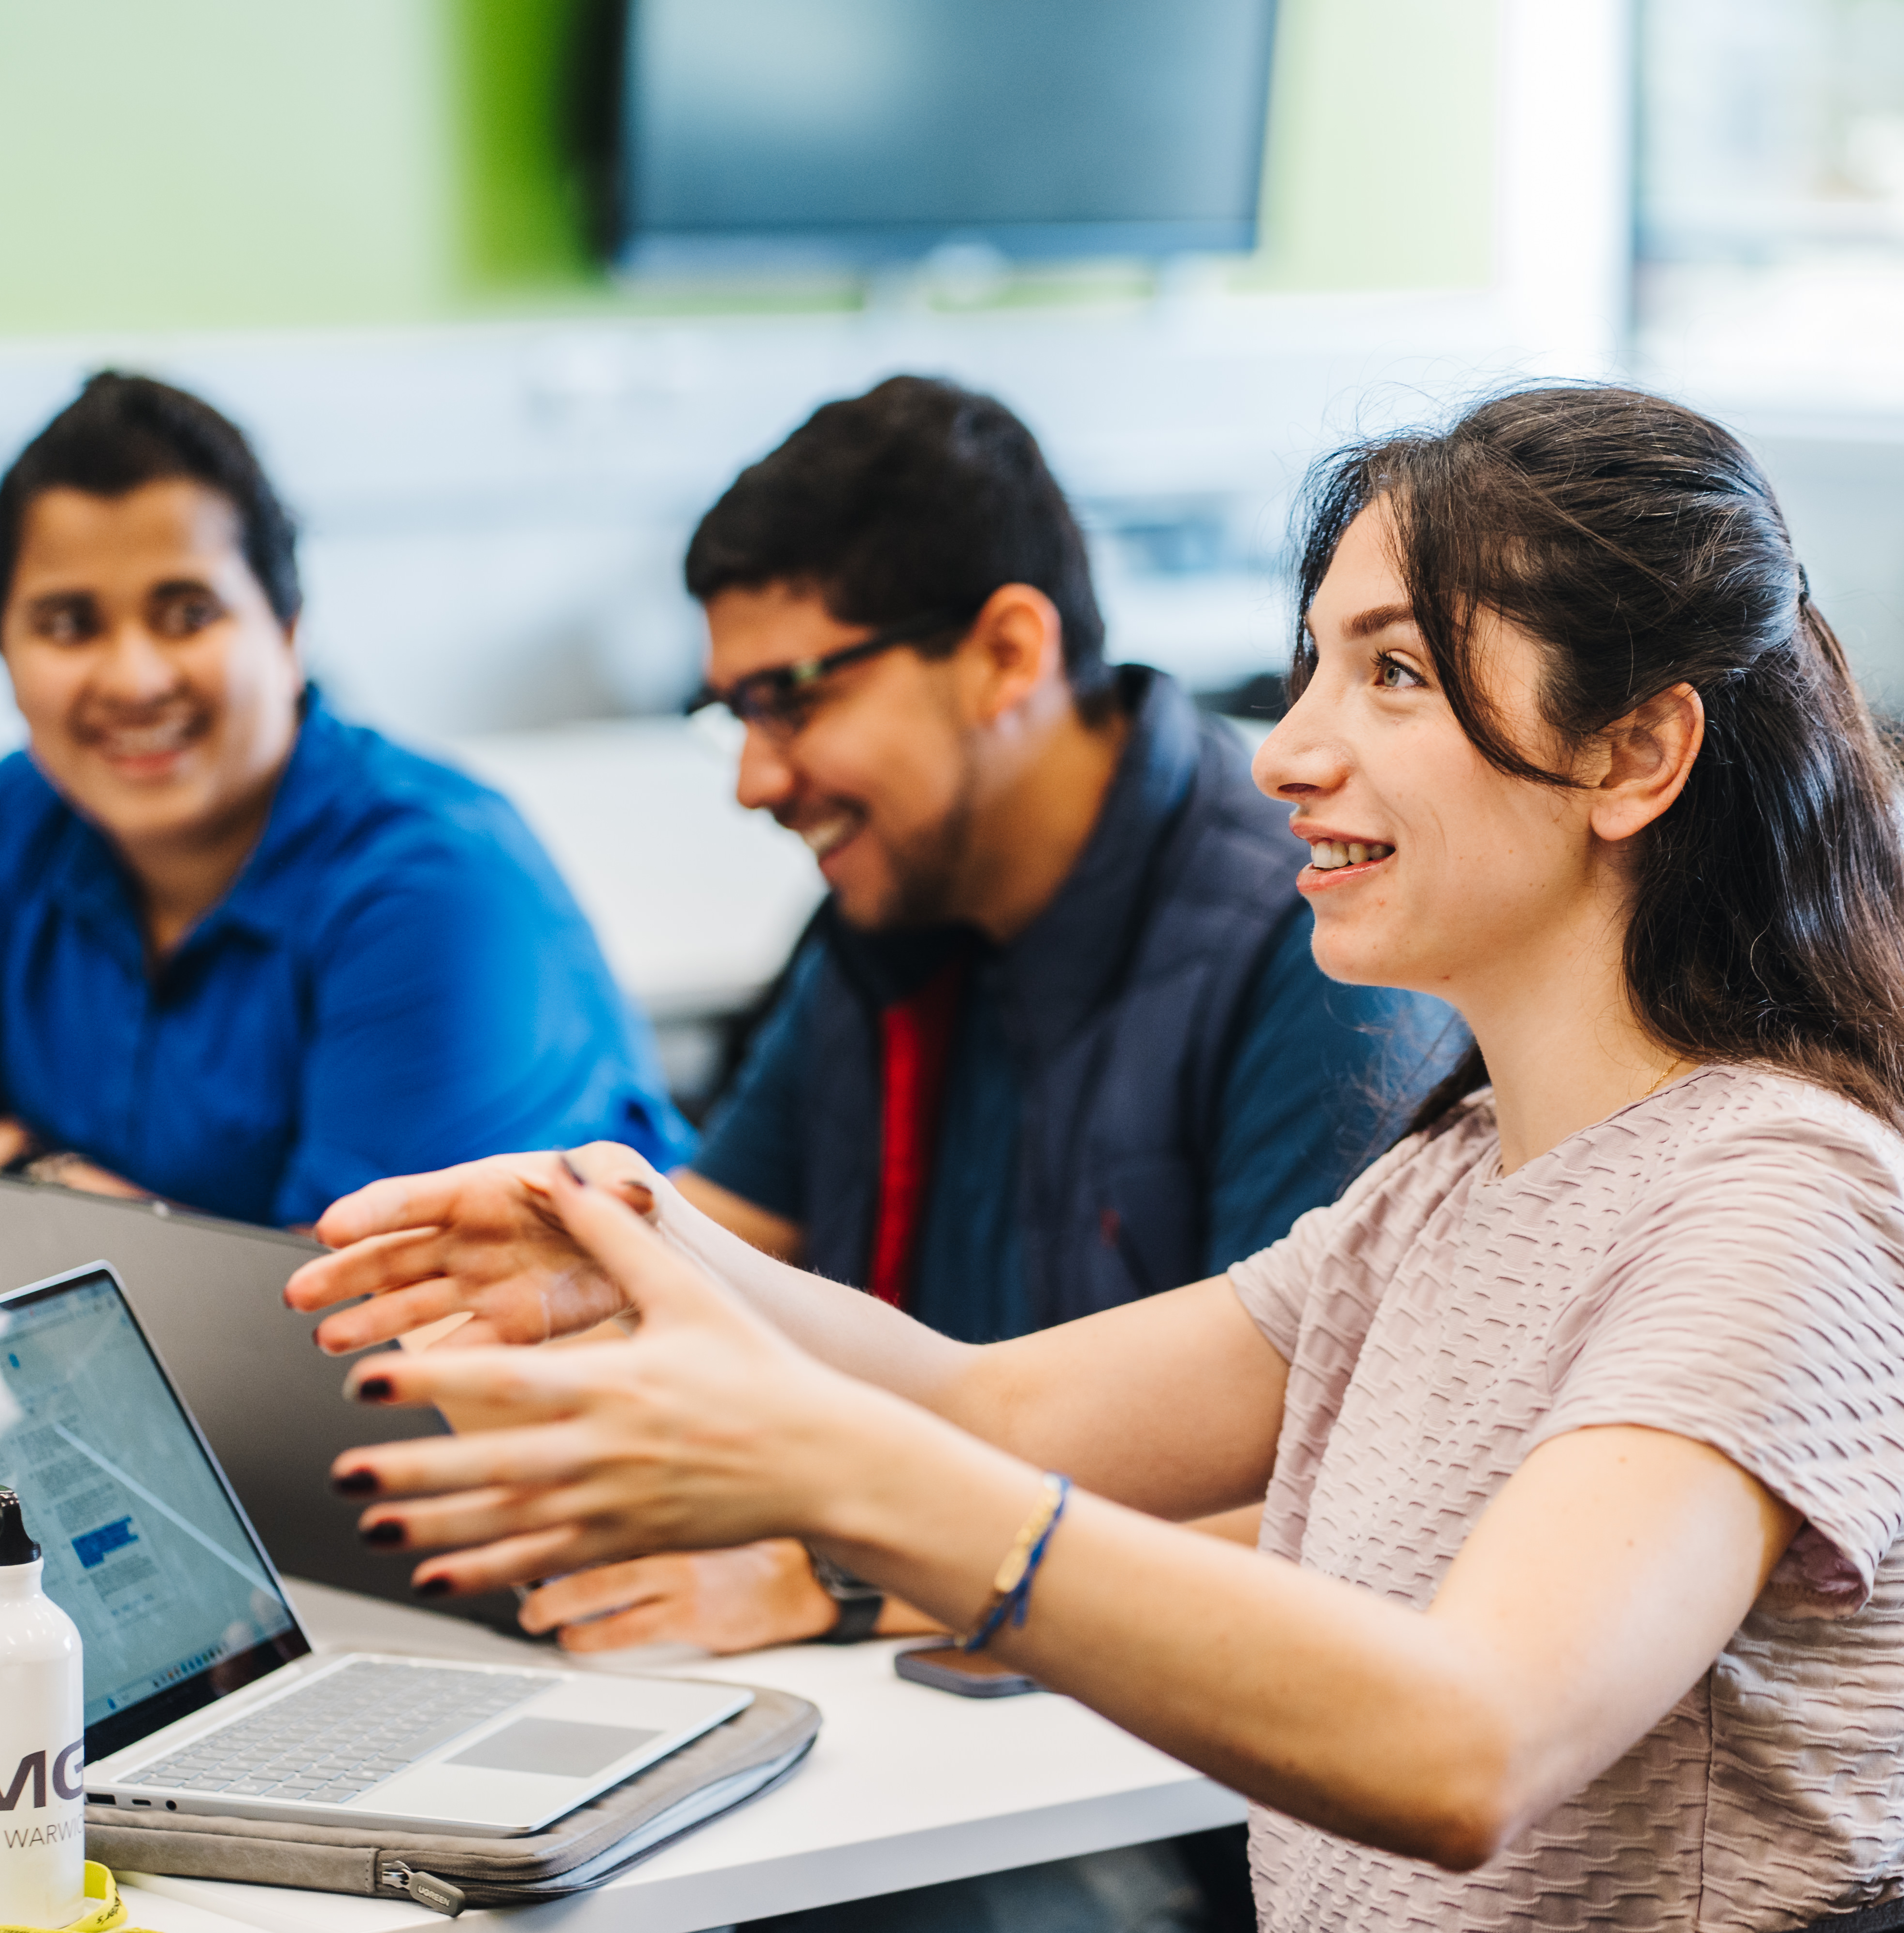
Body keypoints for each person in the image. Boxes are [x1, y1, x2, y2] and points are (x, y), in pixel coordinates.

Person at [293, 386, 1904, 1928]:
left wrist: (830, 1481)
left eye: (1393, 672)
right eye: (1313, 669)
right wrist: (628, 1239)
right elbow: (995, 1414)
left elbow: (1469, 1743)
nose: (1292, 751)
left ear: (1636, 754)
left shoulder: (1784, 1204)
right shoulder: (1454, 1185)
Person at [504, 375, 1459, 1668]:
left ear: (1009, 653)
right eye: (735, 714)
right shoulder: (888, 912)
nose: (754, 779)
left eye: (793, 700)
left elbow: (1319, 1511)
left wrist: (829, 1577)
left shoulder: (1318, 953)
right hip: (922, 1672)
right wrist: (520, 1303)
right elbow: (704, 1258)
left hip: (1149, 1765)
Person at [0, 373, 689, 1300]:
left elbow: (348, 1316)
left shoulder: (431, 877)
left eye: (188, 613)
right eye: (69, 626)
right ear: (5, 655)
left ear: (288, 630)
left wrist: (34, 1185)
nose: (134, 678)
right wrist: (179, 1254)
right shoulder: (11, 820)